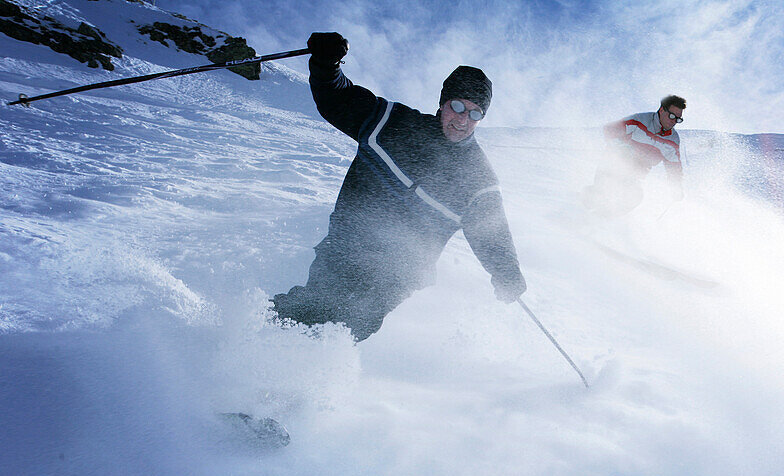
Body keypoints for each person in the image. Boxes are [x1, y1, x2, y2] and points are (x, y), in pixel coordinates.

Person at [271, 32, 526, 341]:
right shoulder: (391, 124)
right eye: (458, 106)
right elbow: (338, 99)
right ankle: (255, 335)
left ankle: (306, 368)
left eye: (475, 113)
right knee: (312, 309)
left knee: (350, 324)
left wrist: (507, 273)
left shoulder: (477, 178)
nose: (463, 120)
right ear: (443, 102)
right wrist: (327, 64)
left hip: (399, 274)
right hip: (347, 248)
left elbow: (492, 232)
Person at [583, 95, 686, 216]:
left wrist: (676, 187)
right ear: (662, 110)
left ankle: (603, 219)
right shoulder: (639, 121)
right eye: (672, 116)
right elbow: (609, 130)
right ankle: (578, 208)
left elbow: (674, 166)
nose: (674, 121)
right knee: (601, 194)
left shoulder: (672, 140)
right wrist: (621, 149)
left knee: (635, 197)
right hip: (614, 165)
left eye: (678, 119)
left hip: (634, 175)